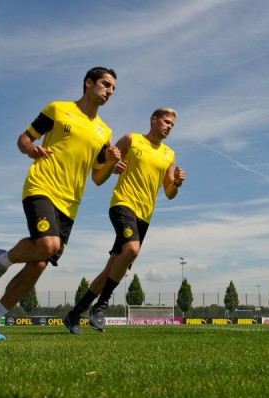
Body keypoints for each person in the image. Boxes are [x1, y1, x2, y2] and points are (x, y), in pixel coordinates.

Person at [0, 67, 121, 340]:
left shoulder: (105, 132)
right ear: (89, 83)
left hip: (70, 204)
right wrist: (30, 149)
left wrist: (111, 162)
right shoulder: (57, 109)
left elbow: (98, 178)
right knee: (48, 244)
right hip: (41, 186)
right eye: (106, 84)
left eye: (113, 88)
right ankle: (1, 260)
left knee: (39, 264)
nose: (110, 91)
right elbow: (24, 138)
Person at [63, 107, 186, 334]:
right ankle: (100, 307)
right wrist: (112, 166)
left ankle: (74, 313)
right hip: (122, 204)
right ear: (154, 120)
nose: (169, 127)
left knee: (112, 266)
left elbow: (169, 192)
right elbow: (103, 165)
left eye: (172, 125)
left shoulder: (169, 154)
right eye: (166, 122)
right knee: (132, 249)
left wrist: (176, 182)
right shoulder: (132, 139)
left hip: (144, 216)